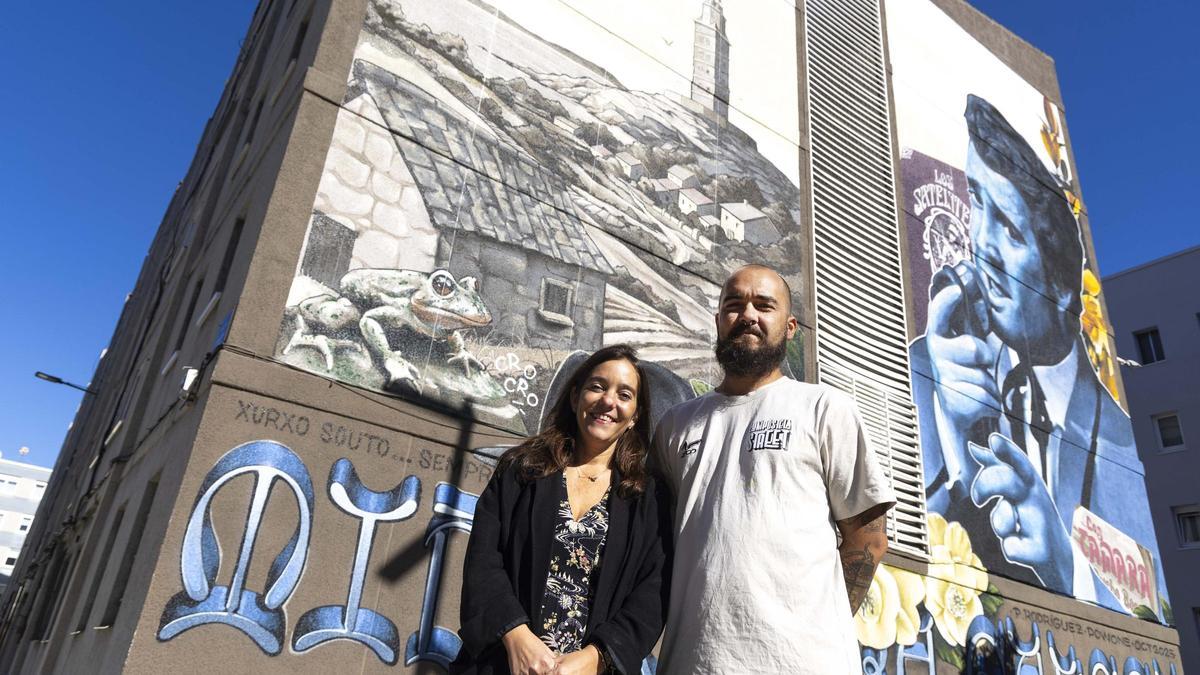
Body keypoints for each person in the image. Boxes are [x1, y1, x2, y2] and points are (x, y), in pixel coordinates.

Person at [909, 94, 1159, 606]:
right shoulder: (921, 369)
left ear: (1064, 286)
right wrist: (951, 436)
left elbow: (1153, 611)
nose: (981, 244)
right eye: (977, 200)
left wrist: (1065, 567)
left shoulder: (1125, 449)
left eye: (1011, 228)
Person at [653, 264, 896, 673]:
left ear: (790, 327)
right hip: (694, 663)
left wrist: (815, 628)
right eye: (734, 305)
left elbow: (868, 542)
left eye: (765, 306)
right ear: (718, 322)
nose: (748, 315)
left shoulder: (824, 409)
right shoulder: (676, 425)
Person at [453, 344, 671, 675]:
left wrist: (597, 656)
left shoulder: (647, 500)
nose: (608, 401)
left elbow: (651, 596)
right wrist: (515, 635)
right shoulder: (523, 470)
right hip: (503, 664)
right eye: (597, 386)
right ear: (574, 398)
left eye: (624, 394)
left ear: (635, 416)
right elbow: (484, 559)